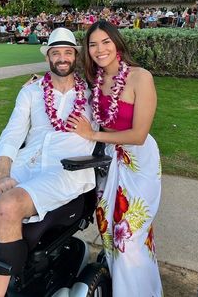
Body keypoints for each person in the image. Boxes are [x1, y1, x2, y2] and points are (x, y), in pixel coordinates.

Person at [0, 27, 97, 297]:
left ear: (76, 56)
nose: (61, 58)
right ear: (47, 57)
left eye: (67, 52)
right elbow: (13, 134)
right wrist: (3, 172)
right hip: (25, 164)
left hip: (65, 171)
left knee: (8, 204)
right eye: (55, 53)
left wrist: (92, 134)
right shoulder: (31, 91)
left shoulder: (93, 97)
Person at [67, 20, 163, 296]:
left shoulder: (139, 77)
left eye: (105, 42)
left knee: (130, 237)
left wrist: (93, 135)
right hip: (108, 161)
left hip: (138, 161)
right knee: (109, 233)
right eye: (93, 44)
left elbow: (139, 135)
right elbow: (62, 84)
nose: (100, 49)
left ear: (117, 42)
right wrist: (38, 82)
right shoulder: (94, 81)